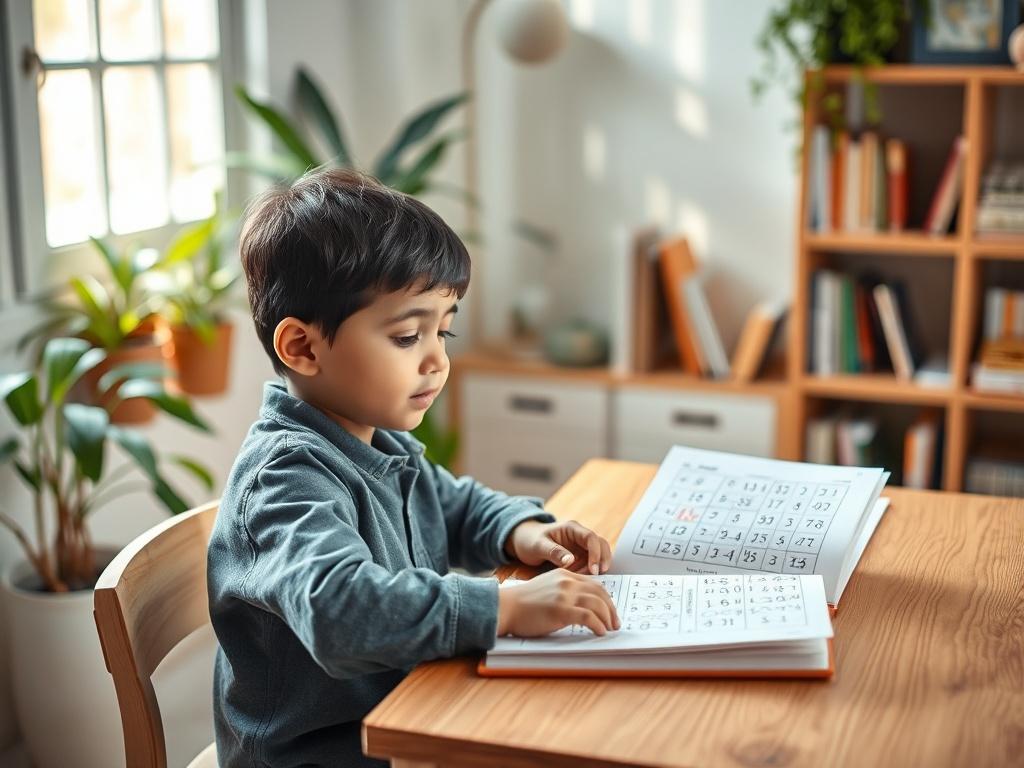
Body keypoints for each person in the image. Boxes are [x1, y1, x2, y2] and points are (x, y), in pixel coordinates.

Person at [207, 167, 620, 767]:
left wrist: (523, 530)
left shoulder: (378, 440)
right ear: (302, 347)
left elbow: (452, 507)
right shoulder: (285, 478)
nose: (437, 361)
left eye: (443, 333)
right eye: (406, 337)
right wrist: (504, 608)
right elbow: (339, 609)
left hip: (402, 720)